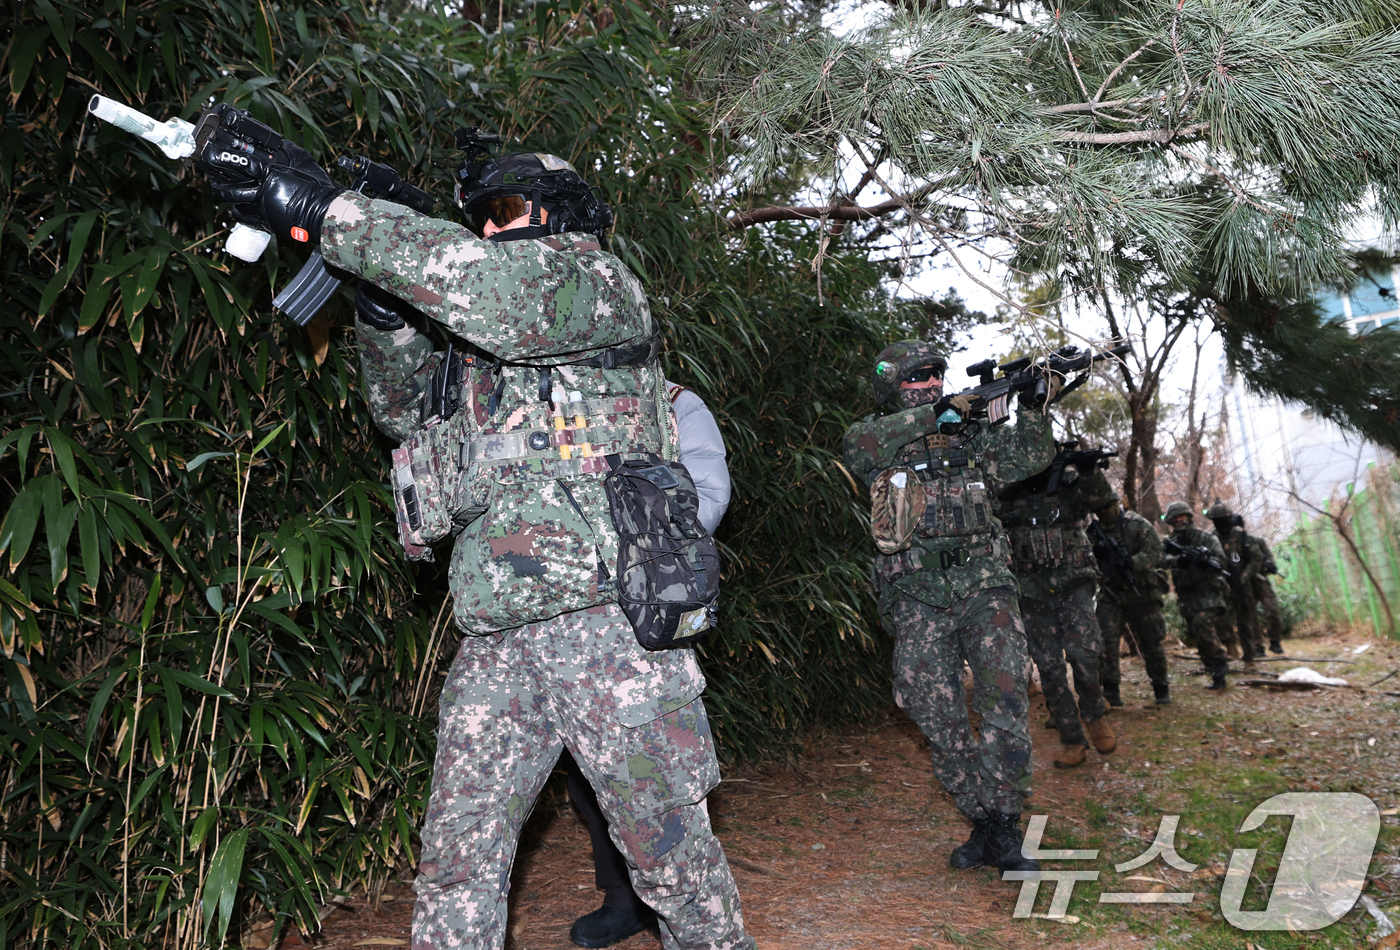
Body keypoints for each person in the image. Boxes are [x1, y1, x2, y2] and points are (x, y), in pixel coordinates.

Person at [202, 142, 755, 950]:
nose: (488, 234)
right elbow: (402, 413)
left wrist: (327, 210)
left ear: (557, 213)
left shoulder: (593, 284)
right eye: (478, 220)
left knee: (671, 864)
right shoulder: (487, 341)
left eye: (501, 213)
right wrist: (383, 314)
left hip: (609, 627)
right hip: (497, 634)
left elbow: (481, 289)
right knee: (459, 861)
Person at [841, 340, 1055, 875]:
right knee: (934, 714)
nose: (932, 385)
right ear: (892, 387)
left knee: (1005, 701)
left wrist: (1032, 406)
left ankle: (1004, 825)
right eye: (917, 380)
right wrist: (934, 412)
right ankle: (981, 820)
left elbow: (1030, 458)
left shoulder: (974, 432)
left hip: (985, 585)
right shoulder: (876, 437)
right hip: (915, 594)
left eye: (937, 377)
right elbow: (857, 449)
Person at [565, 378, 731, 949]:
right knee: (585, 777)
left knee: (658, 778)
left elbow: (708, 493)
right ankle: (622, 899)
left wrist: (638, 563)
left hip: (636, 613)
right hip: (554, 621)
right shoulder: (539, 395)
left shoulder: (673, 398)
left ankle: (692, 921)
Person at [997, 448, 1117, 769]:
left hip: (1073, 582)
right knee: (1049, 669)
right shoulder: (1010, 491)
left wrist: (1090, 472)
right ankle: (1073, 739)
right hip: (1032, 591)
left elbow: (1106, 508)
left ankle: (1095, 716)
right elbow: (990, 513)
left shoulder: (1068, 485)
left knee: (1084, 654)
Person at [1090, 493, 1172, 705]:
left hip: (1141, 591)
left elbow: (1156, 554)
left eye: (1107, 506)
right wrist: (1095, 554)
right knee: (1105, 642)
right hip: (1111, 593)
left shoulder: (1137, 525)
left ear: (1116, 504)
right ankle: (1110, 689)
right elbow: (1084, 561)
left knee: (1151, 641)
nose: (1103, 511)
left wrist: (1132, 562)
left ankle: (1161, 688)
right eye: (1099, 508)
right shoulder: (1092, 533)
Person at [1161, 501, 1232, 690]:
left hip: (1209, 591)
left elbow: (1221, 561)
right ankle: (1213, 668)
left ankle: (1220, 664)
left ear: (1189, 517)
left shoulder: (1206, 538)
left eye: (1181, 516)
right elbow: (1159, 559)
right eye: (1174, 519)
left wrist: (1202, 561)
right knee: (1197, 635)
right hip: (1187, 596)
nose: (1178, 520)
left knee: (1203, 626)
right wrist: (1179, 560)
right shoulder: (1170, 542)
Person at [1206, 500, 1265, 664]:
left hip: (1242, 585)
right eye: (1216, 520)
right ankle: (1231, 648)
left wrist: (1243, 577)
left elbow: (1256, 558)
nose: (1219, 523)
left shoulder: (1240, 535)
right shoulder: (1212, 538)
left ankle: (1250, 657)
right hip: (1220, 585)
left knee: (1245, 622)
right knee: (1220, 618)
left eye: (1222, 519)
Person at [1241, 519, 1286, 653]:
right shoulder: (1228, 544)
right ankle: (1257, 646)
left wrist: (1268, 565)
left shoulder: (1256, 541)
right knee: (1251, 616)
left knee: (1273, 611)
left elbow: (1269, 558)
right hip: (1244, 583)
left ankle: (1275, 641)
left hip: (1261, 581)